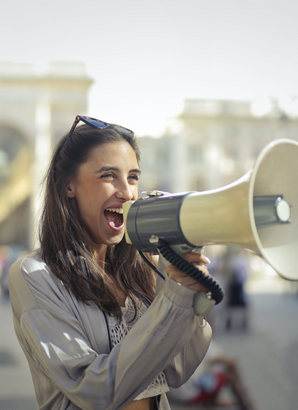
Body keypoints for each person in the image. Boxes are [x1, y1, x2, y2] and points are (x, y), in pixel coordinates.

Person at [8, 115, 212, 410]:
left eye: (132, 177)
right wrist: (173, 299)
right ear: (68, 186)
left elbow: (176, 370)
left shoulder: (144, 266)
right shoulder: (35, 274)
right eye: (108, 176)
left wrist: (188, 297)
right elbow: (94, 391)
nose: (127, 192)